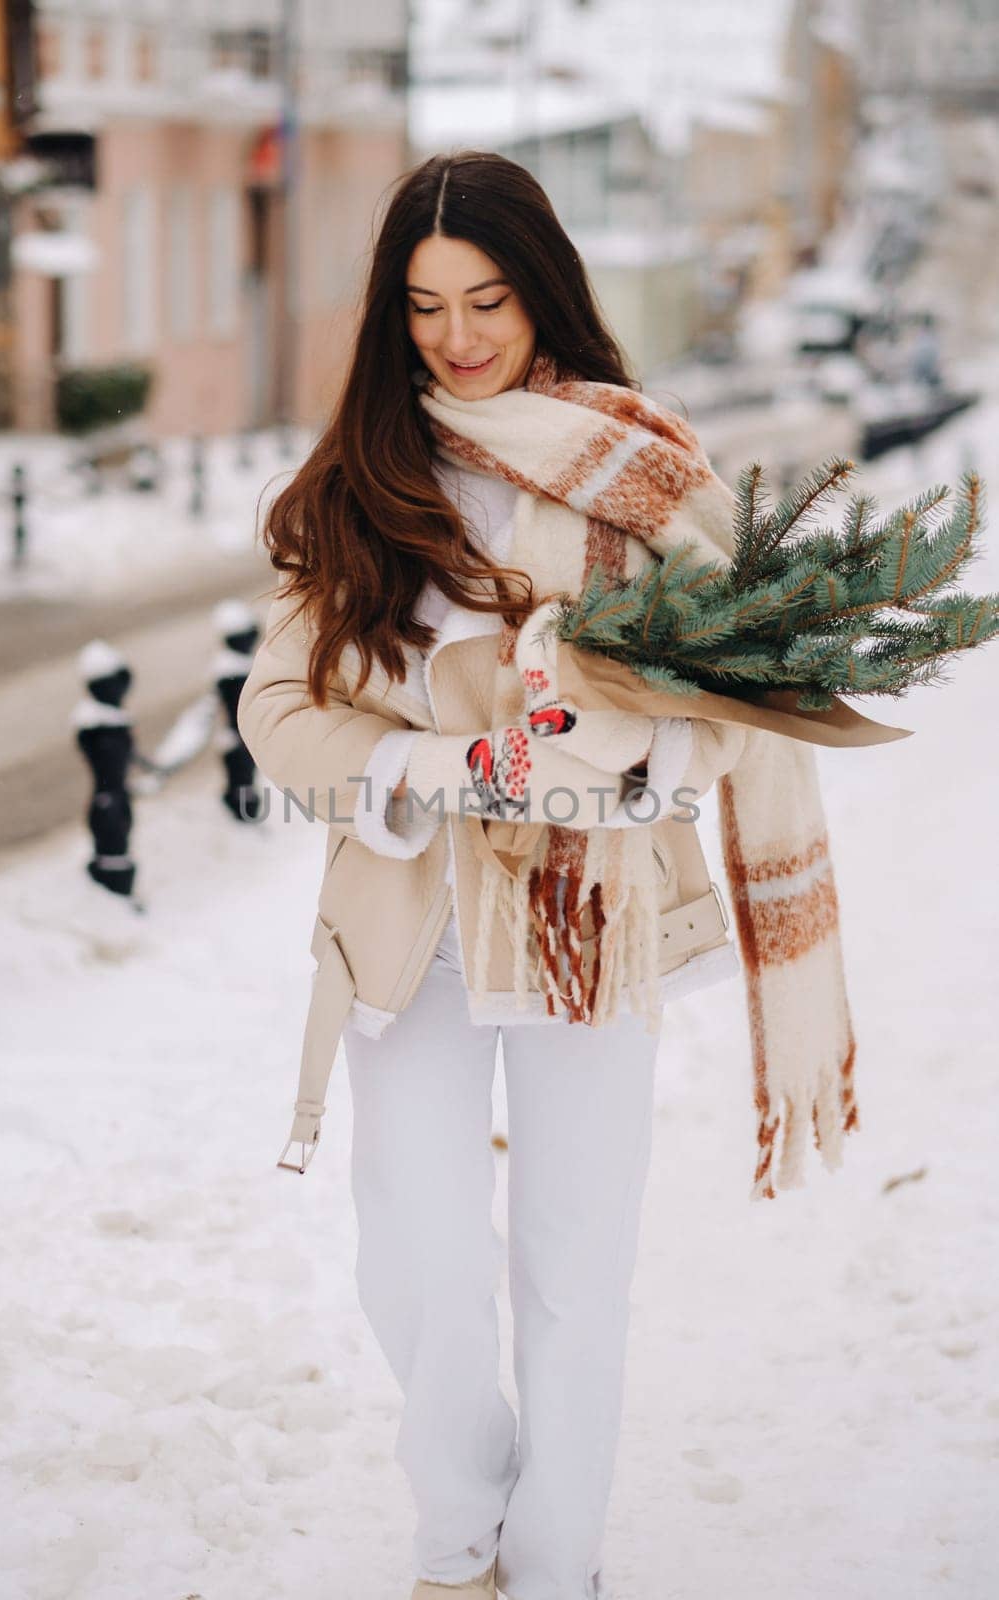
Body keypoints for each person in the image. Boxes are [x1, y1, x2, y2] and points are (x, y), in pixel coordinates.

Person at [237, 151, 813, 1600]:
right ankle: (461, 1527)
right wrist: (431, 764)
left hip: (588, 913)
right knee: (419, 1260)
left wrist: (633, 759)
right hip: (416, 919)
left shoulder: (644, 471)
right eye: (426, 305)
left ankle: (549, 1567)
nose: (459, 335)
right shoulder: (362, 481)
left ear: (542, 287)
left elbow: (730, 700)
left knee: (571, 1267)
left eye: (486, 297)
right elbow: (278, 710)